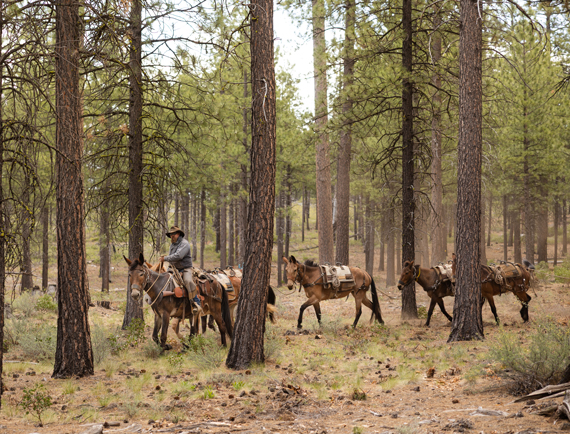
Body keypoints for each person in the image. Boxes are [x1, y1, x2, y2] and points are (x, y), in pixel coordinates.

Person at [159, 226, 199, 312]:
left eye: (173, 234)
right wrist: (169, 269)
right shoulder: (172, 245)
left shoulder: (185, 243)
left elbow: (178, 256)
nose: (171, 236)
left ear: (178, 234)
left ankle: (195, 302)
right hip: (174, 269)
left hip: (185, 269)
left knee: (188, 281)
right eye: (170, 235)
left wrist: (165, 258)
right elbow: (171, 259)